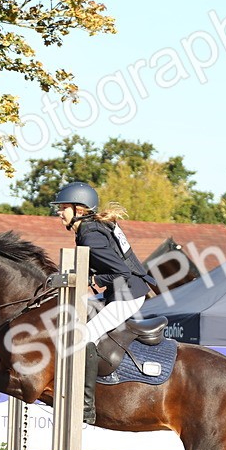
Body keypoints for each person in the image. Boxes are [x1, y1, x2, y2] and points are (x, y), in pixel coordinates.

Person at [50, 181, 157, 425]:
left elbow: (121, 272)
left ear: (79, 209)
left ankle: (86, 406)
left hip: (128, 295)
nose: (59, 213)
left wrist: (94, 279)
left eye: (63, 208)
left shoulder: (91, 236)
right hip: (120, 291)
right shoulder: (92, 228)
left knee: (84, 336)